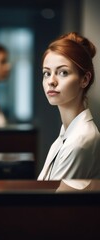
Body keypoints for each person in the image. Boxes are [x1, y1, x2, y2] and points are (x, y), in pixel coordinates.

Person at [38, 32, 100, 180]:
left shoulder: (81, 141)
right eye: (47, 73)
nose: (51, 81)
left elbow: (55, 203)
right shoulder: (65, 136)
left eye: (63, 72)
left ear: (84, 80)